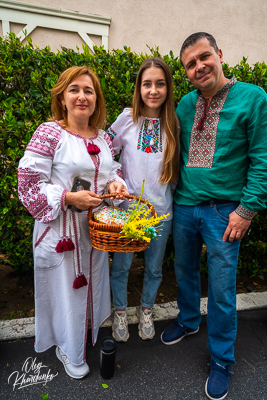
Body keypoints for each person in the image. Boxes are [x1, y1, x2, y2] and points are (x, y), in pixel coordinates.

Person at [161, 32, 267, 400]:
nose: (199, 66)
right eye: (190, 64)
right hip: (186, 207)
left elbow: (262, 159)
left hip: (226, 213)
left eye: (204, 57)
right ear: (186, 72)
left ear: (220, 54)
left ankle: (222, 359)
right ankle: (189, 320)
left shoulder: (253, 98)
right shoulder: (185, 105)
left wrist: (246, 210)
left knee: (222, 290)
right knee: (184, 270)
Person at [18, 66, 128, 379]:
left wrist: (115, 185)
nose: (82, 96)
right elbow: (28, 183)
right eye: (74, 89)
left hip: (93, 232)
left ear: (97, 100)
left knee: (88, 289)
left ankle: (79, 337)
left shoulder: (104, 138)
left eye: (89, 91)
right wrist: (67, 197)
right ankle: (69, 349)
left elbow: (111, 173)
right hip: (60, 233)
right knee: (67, 293)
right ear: (62, 98)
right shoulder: (49, 132)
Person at [107, 57, 179, 342]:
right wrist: (116, 179)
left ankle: (146, 309)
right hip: (127, 211)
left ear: (167, 88)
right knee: (122, 266)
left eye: (160, 84)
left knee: (153, 267)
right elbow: (102, 152)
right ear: (138, 88)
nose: (153, 90)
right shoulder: (127, 118)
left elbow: (176, 169)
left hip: (161, 211)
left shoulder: (173, 122)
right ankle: (120, 311)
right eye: (147, 84)